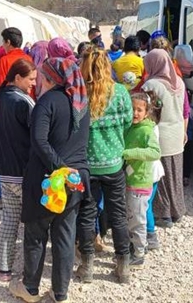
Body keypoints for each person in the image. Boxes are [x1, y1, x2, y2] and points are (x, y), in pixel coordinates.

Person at [10, 58, 90, 303]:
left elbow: (40, 142)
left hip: (48, 178)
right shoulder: (82, 104)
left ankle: (31, 289)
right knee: (65, 236)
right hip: (76, 178)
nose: (40, 79)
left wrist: (60, 168)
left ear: (51, 77)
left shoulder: (47, 102)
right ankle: (60, 294)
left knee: (36, 233)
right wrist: (69, 171)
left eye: (43, 75)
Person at [76, 50, 133, 284]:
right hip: (113, 164)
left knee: (87, 214)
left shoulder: (80, 94)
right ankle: (123, 266)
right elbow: (129, 122)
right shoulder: (120, 92)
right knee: (118, 215)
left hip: (88, 166)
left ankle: (86, 265)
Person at [0, 58, 37, 282]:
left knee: (9, 221)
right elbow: (37, 135)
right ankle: (31, 271)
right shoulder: (23, 102)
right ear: (18, 77)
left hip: (4, 170)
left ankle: (5, 269)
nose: (33, 84)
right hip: (24, 171)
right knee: (32, 221)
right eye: (31, 79)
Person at [141, 50, 187, 228]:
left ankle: (164, 214)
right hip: (176, 134)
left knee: (159, 176)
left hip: (160, 135)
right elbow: (184, 110)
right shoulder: (180, 83)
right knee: (175, 175)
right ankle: (178, 211)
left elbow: (147, 112)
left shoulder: (152, 84)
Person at [122, 92, 162, 268]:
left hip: (140, 182)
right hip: (131, 180)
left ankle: (138, 253)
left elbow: (155, 152)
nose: (135, 113)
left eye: (139, 110)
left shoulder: (146, 130)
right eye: (132, 109)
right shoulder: (131, 127)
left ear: (147, 112)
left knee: (138, 219)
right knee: (132, 217)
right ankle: (137, 246)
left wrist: (130, 153)